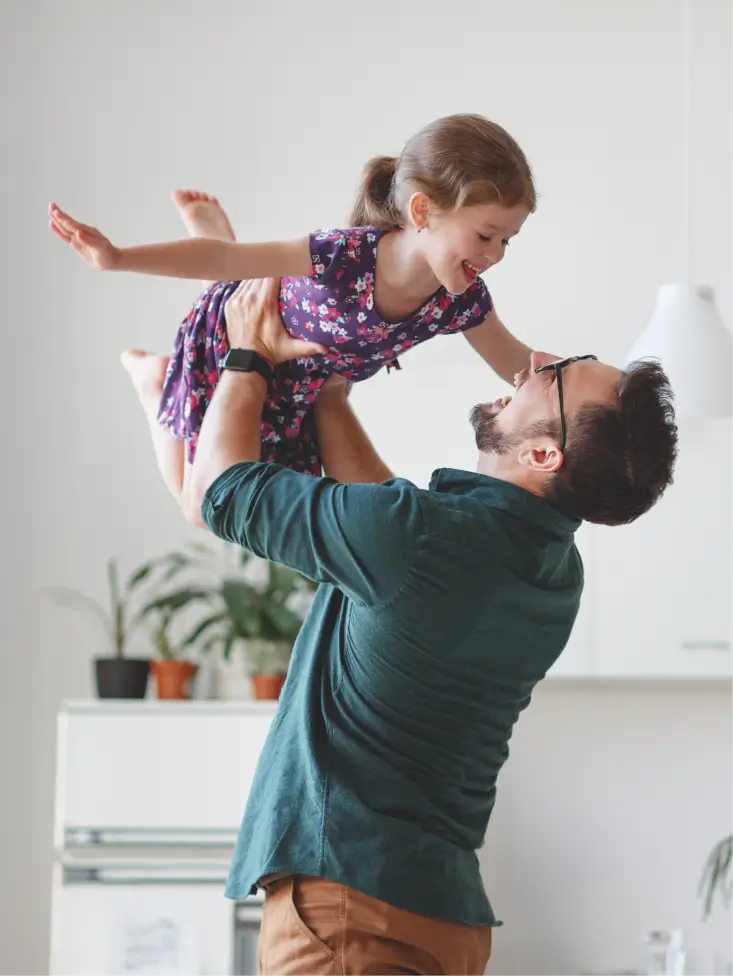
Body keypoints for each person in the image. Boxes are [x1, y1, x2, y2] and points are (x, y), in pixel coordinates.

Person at [186, 276, 677, 974]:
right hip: (439, 919)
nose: (535, 362)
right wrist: (327, 394)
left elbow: (217, 489)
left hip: (349, 914)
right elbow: (385, 527)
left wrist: (247, 357)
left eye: (557, 376)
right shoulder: (551, 571)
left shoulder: (417, 539)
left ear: (543, 453)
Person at [48, 113, 537, 521]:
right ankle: (153, 380)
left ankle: (221, 243)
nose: (496, 255)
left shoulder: (461, 301)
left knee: (249, 506)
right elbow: (220, 261)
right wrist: (118, 257)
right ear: (423, 210)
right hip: (234, 345)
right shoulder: (342, 256)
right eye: (485, 236)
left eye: (507, 241)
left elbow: (521, 362)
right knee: (201, 511)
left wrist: (606, 387)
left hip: (297, 391)